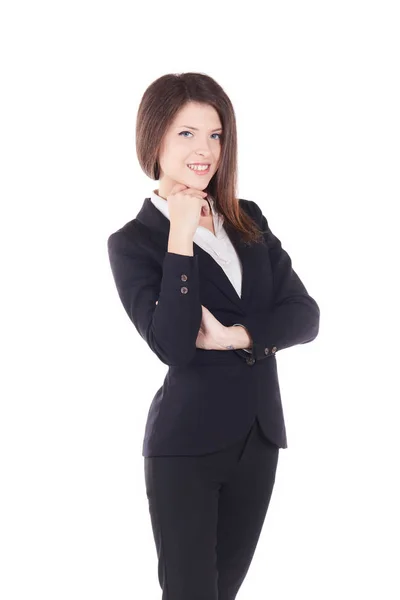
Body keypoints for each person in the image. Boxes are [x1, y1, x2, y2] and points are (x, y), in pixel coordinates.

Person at [107, 72, 320, 600]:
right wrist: (180, 235)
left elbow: (305, 314)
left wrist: (237, 337)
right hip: (187, 446)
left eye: (216, 134)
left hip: (259, 438)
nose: (205, 149)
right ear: (153, 138)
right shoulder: (132, 243)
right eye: (186, 134)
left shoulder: (248, 220)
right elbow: (173, 345)